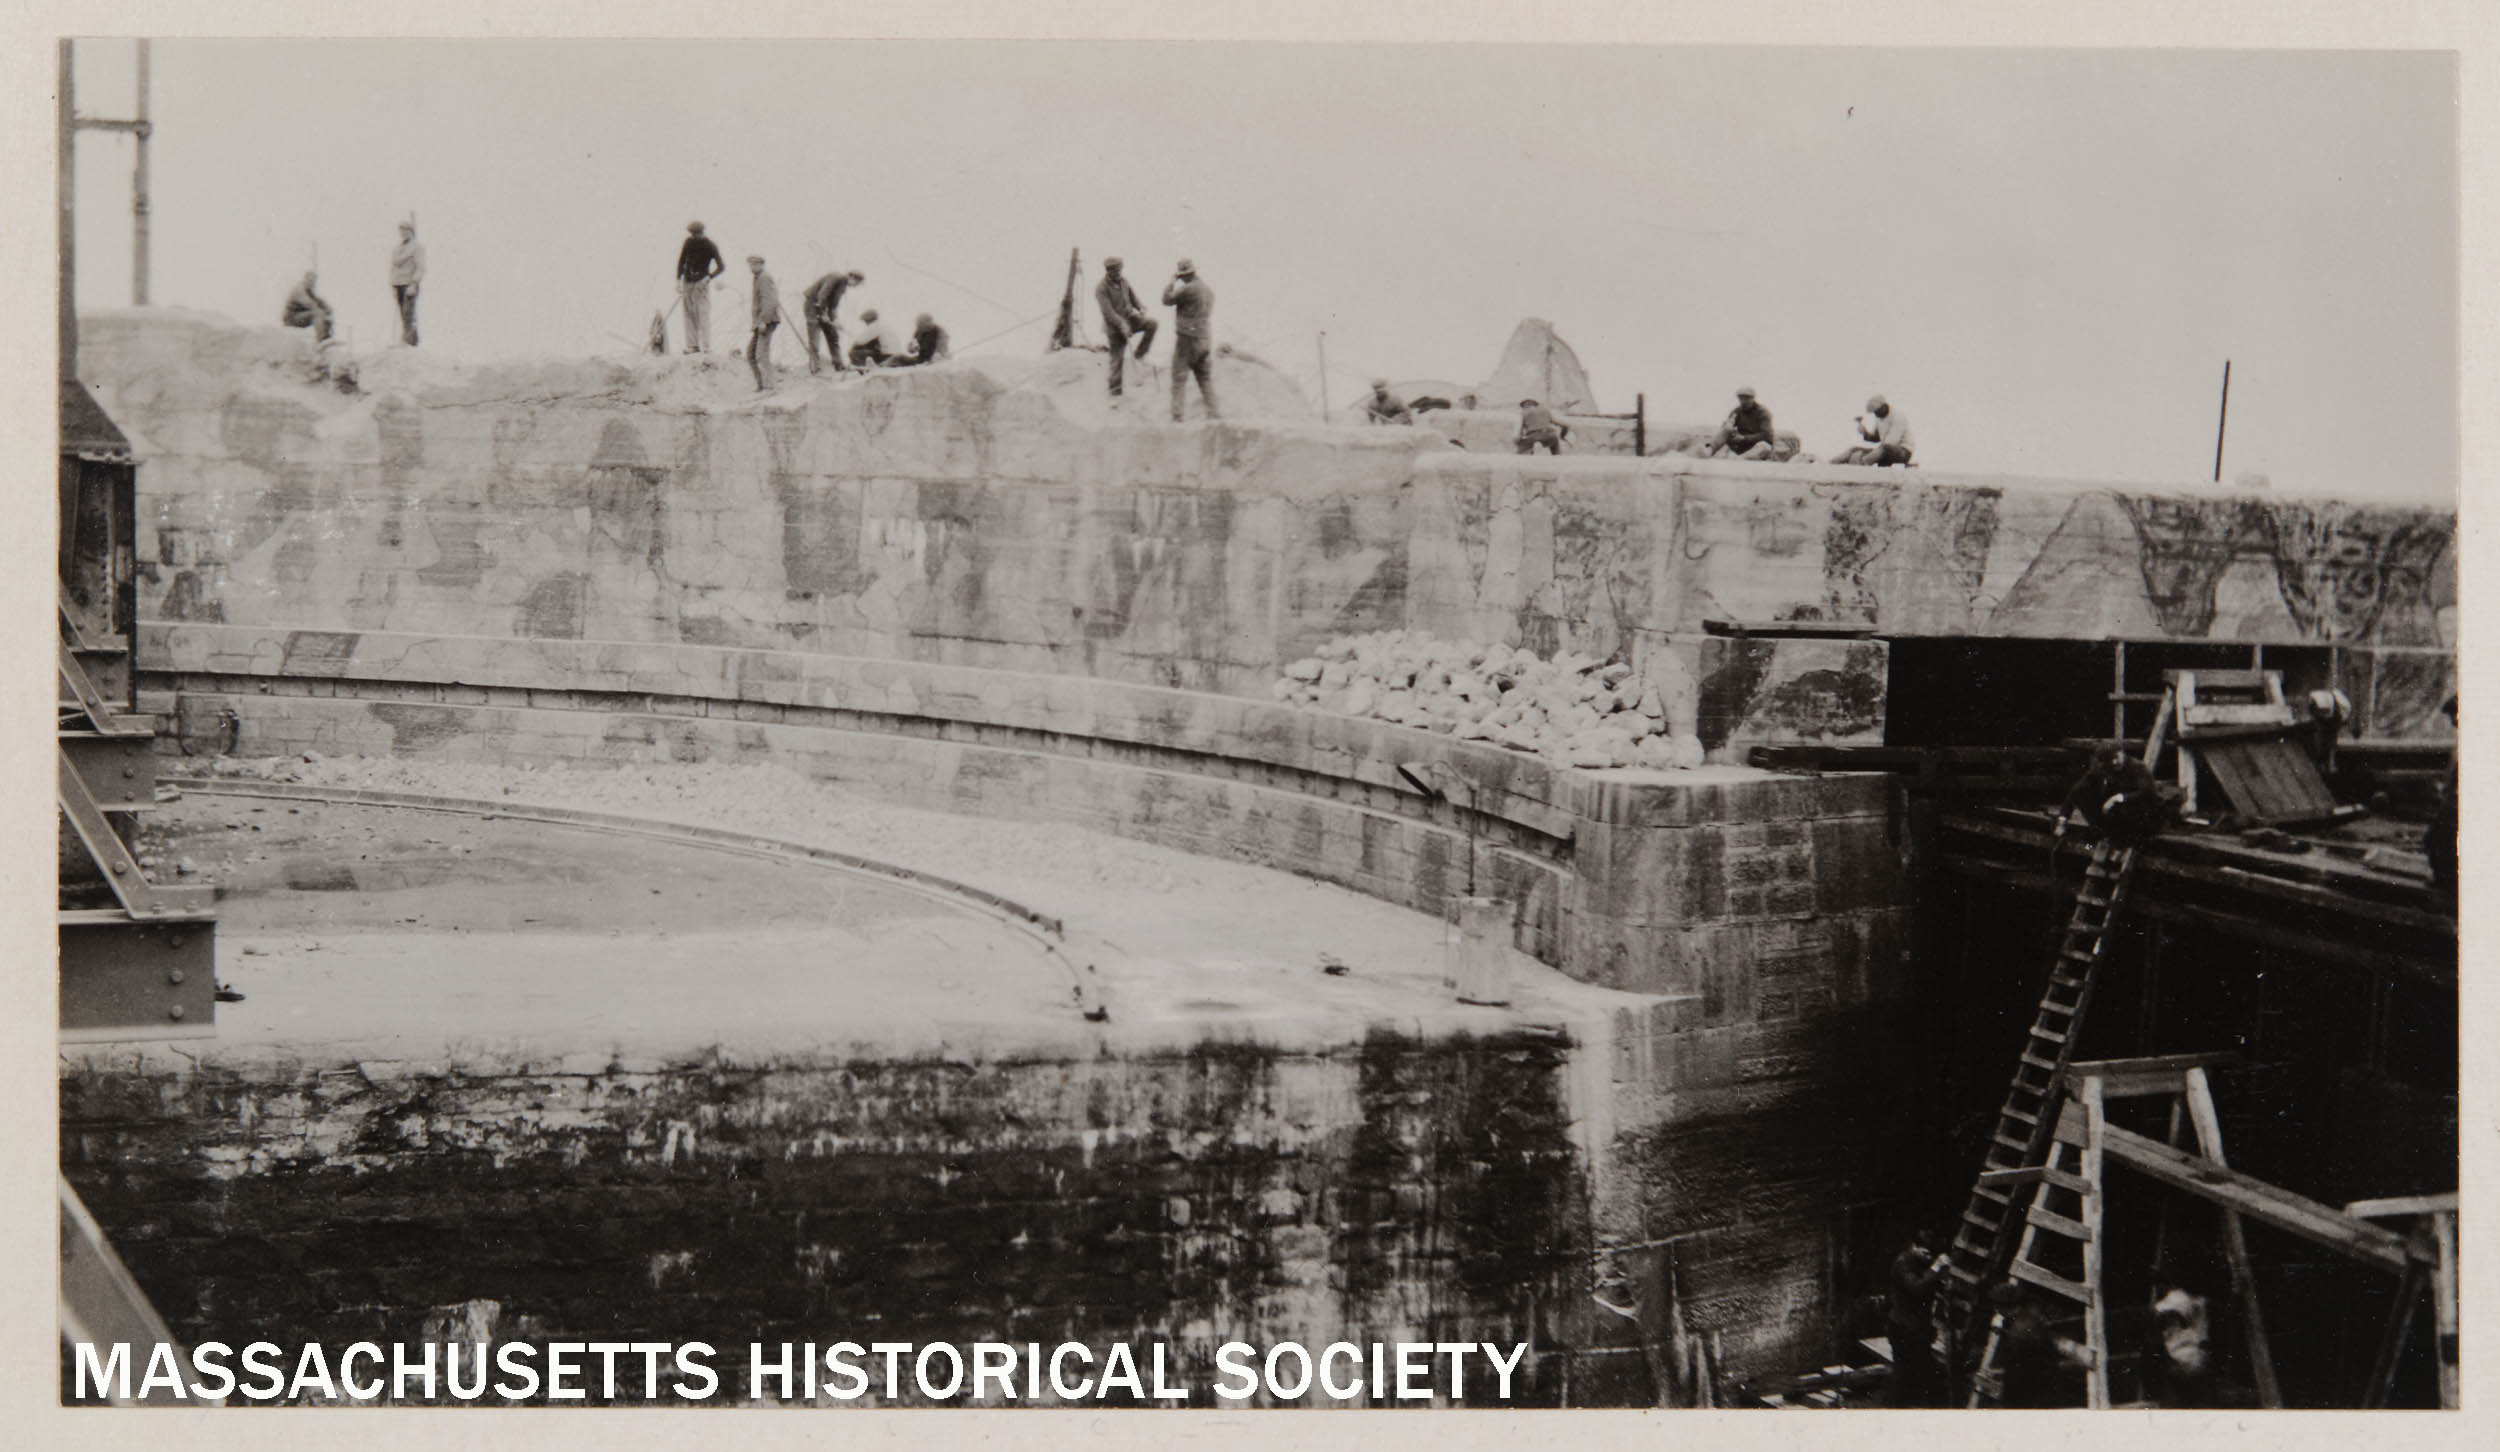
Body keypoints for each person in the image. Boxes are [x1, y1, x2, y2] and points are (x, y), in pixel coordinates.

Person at [2056, 744, 2175, 847]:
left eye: (2116, 758)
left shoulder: (2138, 767)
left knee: (2128, 818)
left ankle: (2119, 839)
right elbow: (2076, 791)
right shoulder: (2103, 768)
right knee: (2083, 796)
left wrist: (2118, 798)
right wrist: (2062, 820)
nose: (2114, 762)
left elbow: (2148, 793)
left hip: (2146, 815)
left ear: (2122, 753)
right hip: (2122, 815)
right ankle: (2100, 835)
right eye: (2109, 761)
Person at [1883, 1231, 1950, 1408]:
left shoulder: (1922, 1262)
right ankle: (1894, 1407)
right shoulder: (1903, 1263)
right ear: (1914, 1247)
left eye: (1931, 1255)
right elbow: (1917, 1288)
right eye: (1925, 1253)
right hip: (1902, 1328)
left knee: (1916, 1370)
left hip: (1917, 1328)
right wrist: (1936, 1268)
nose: (1928, 1257)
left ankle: (1905, 1405)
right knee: (1903, 1371)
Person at [1162, 259, 1219, 422]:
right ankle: (1213, 414)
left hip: (1187, 338)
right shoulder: (1208, 290)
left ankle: (1177, 416)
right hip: (1205, 337)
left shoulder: (1188, 289)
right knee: (1204, 378)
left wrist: (1171, 283)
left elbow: (1166, 300)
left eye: (1181, 276)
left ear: (1184, 275)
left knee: (1178, 377)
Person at [1094, 257, 1157, 399]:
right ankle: (1115, 393)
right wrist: (1121, 324)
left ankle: (1139, 354)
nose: (1119, 272)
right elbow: (1108, 312)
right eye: (1116, 270)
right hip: (1114, 328)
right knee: (1117, 360)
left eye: (1120, 269)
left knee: (1152, 324)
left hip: (1130, 320)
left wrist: (1140, 307)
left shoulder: (1124, 281)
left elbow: (1133, 297)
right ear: (1109, 271)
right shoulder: (1101, 288)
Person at [675, 221, 726, 354]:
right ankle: (692, 346)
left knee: (702, 313)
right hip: (687, 281)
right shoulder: (688, 242)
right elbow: (681, 261)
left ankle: (706, 346)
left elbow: (721, 266)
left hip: (701, 283)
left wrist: (709, 277)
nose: (693, 236)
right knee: (689, 314)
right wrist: (678, 280)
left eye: (696, 233)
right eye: (692, 233)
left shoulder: (710, 245)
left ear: (702, 232)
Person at [801, 270, 864, 375]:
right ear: (852, 277)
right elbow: (822, 295)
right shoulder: (835, 277)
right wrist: (822, 314)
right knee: (814, 338)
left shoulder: (843, 286)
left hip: (823, 309)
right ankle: (815, 368)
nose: (855, 286)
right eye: (857, 283)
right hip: (812, 306)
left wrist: (835, 320)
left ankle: (839, 365)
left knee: (833, 336)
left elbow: (833, 305)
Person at [2427, 695, 2457, 908]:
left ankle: (2448, 890)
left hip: (2456, 805)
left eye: (2455, 716)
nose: (2453, 722)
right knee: (2434, 842)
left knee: (2441, 842)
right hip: (2452, 800)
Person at [1835, 394, 1914, 466]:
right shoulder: (1879, 418)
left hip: (1904, 452)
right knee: (1854, 449)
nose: (1875, 414)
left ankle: (1862, 464)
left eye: (1876, 411)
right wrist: (1865, 433)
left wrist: (1867, 454)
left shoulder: (1898, 417)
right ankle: (1833, 463)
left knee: (1885, 448)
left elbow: (1891, 442)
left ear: (1883, 406)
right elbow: (1876, 438)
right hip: (1883, 450)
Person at [744, 255, 781, 392]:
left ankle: (769, 386)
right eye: (750, 265)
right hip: (759, 323)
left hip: (766, 321)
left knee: (761, 354)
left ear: (761, 265)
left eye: (754, 264)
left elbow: (769, 301)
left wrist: (764, 321)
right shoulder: (757, 278)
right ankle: (761, 385)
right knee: (750, 354)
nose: (751, 267)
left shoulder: (764, 278)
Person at [1709, 386, 1778, 460]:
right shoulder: (1737, 411)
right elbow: (1727, 428)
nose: (1743, 401)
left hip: (1757, 446)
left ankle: (1740, 460)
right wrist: (1728, 427)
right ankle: (1709, 450)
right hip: (1741, 446)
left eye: (1747, 398)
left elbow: (1767, 435)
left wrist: (1744, 438)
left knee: (1765, 446)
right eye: (1741, 398)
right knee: (1726, 429)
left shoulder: (1763, 412)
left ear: (1753, 398)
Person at [389, 221, 425, 347]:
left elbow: (420, 267)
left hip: (409, 283)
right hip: (398, 283)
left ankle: (408, 342)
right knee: (402, 315)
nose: (403, 233)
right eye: (401, 231)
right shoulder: (397, 249)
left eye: (406, 230)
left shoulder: (417, 247)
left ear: (411, 232)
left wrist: (414, 283)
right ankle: (410, 341)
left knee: (408, 313)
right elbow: (393, 267)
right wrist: (392, 283)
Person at [281, 271, 334, 342]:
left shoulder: (309, 291)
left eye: (313, 281)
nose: (311, 283)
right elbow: (310, 304)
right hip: (290, 319)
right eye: (310, 280)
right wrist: (323, 312)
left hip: (299, 317)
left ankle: (327, 339)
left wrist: (327, 310)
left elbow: (321, 302)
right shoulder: (299, 289)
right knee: (317, 314)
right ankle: (320, 341)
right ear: (305, 279)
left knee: (324, 316)